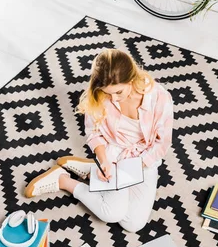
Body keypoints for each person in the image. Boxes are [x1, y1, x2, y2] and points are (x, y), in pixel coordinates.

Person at [25, 48, 174, 233]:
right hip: (113, 154)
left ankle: (91, 170)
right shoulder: (99, 96)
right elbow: (94, 133)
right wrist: (104, 160)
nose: (113, 99)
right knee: (111, 214)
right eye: (107, 93)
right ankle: (64, 180)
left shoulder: (159, 97)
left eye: (119, 92)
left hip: (143, 160)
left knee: (133, 225)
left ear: (132, 79)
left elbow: (163, 143)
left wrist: (136, 167)